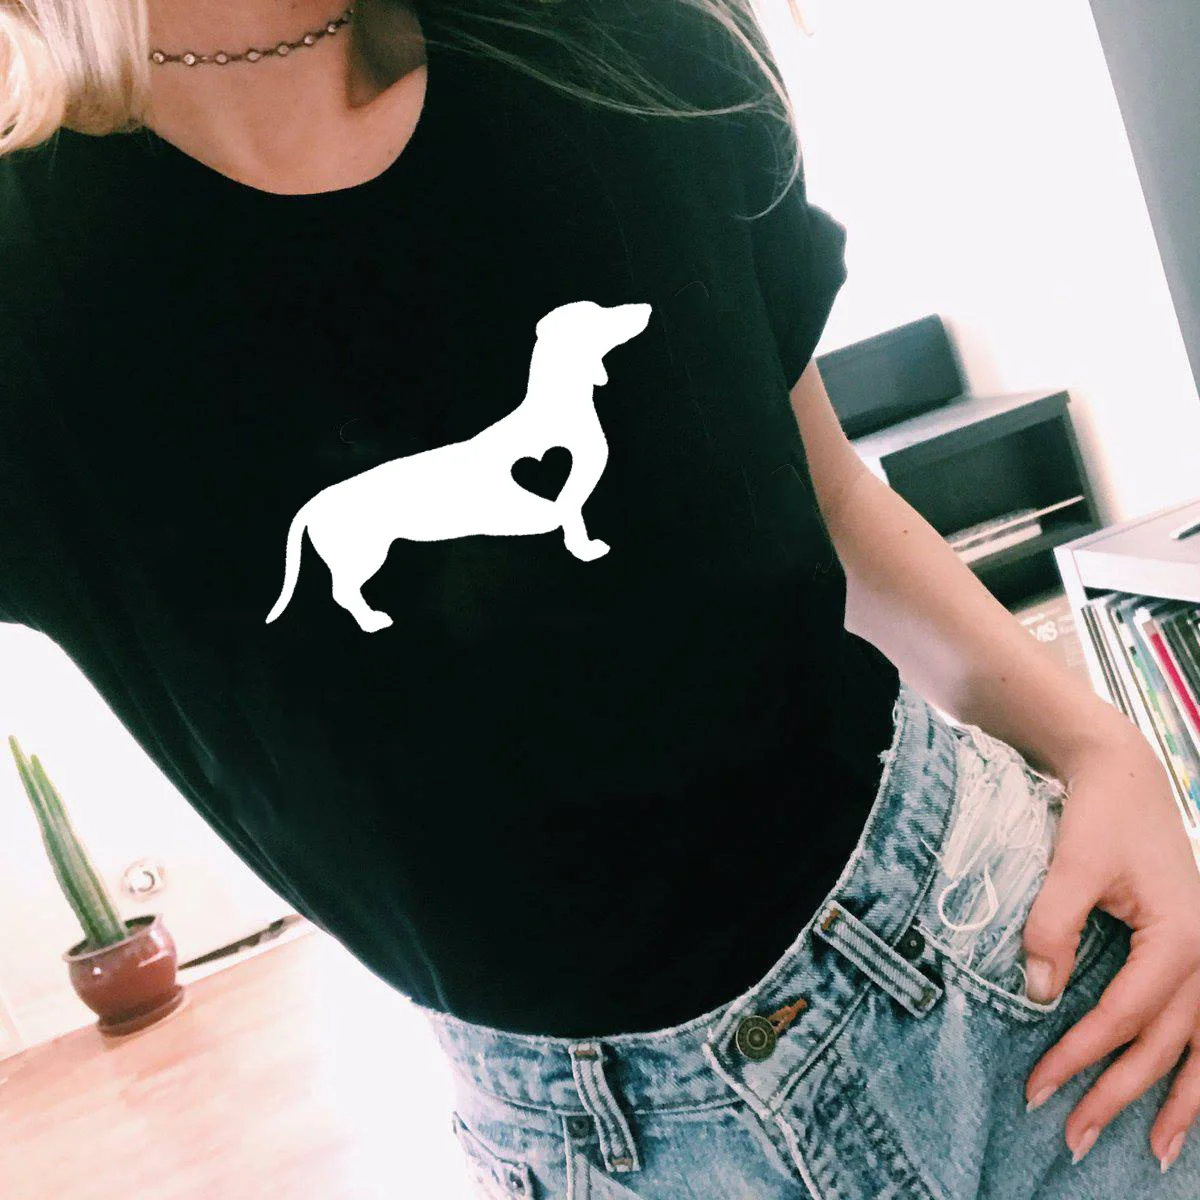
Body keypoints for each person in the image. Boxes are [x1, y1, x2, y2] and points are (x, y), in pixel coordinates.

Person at [3, 1, 1200, 1194]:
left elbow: (825, 491)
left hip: (1014, 980)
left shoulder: (625, 43)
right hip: (602, 1151)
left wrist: (1099, 743)